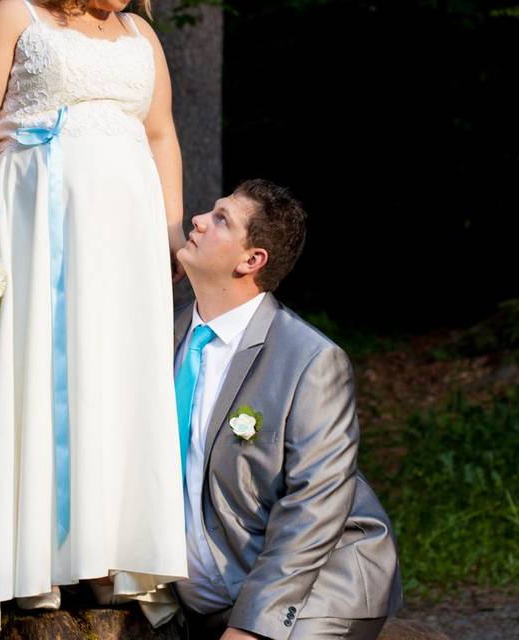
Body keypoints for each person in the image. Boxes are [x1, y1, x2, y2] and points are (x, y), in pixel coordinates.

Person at [0, 1, 188, 637]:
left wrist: (171, 230)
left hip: (127, 238)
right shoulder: (13, 15)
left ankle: (110, 554)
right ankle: (27, 565)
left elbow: (161, 133)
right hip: (35, 218)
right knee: (31, 374)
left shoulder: (142, 34)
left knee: (113, 378)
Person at [170, 178, 403, 640]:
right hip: (206, 592)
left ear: (250, 260)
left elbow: (315, 505)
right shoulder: (162, 336)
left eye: (220, 220)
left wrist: (253, 625)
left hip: (319, 585)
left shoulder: (309, 361)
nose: (196, 220)